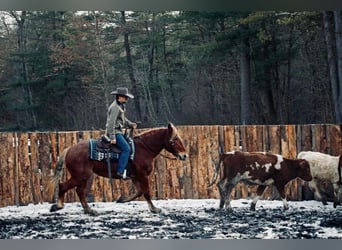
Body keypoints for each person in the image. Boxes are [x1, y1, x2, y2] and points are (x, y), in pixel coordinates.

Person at [105, 87, 137, 180]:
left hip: (118, 131)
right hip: (115, 132)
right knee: (126, 149)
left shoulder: (121, 106)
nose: (127, 99)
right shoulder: (115, 107)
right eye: (125, 97)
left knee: (130, 143)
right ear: (120, 97)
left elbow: (122, 119)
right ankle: (120, 171)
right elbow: (111, 123)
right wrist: (112, 137)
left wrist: (130, 124)